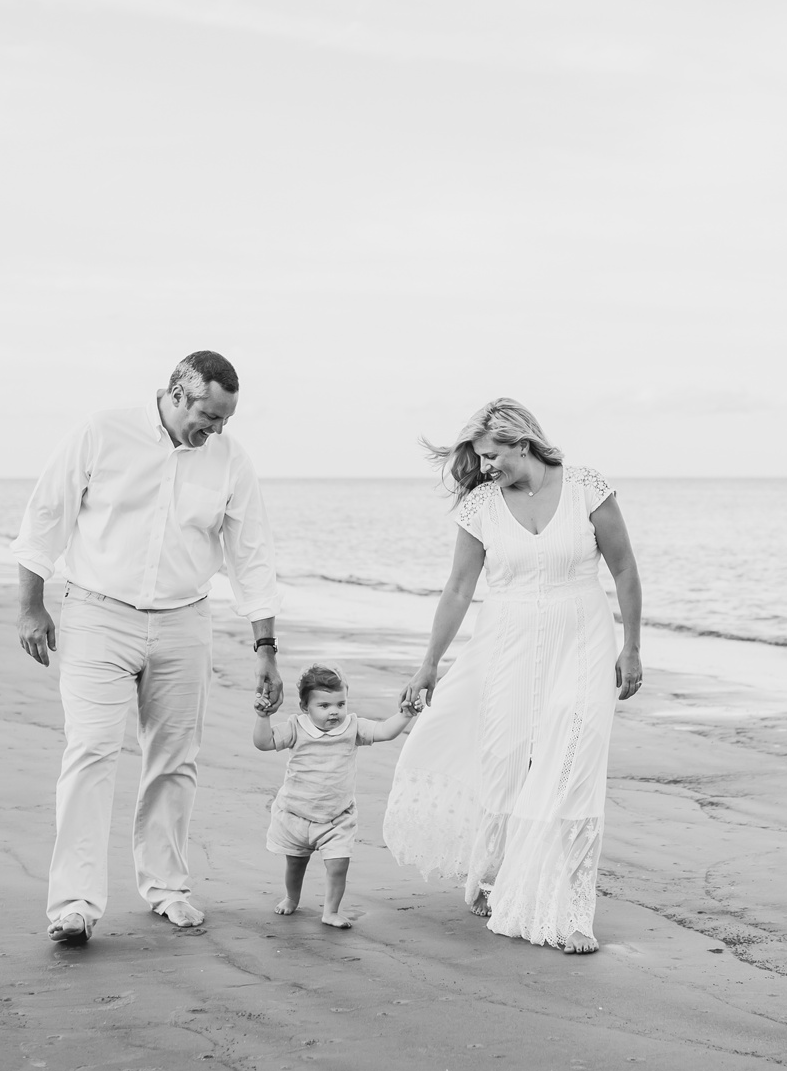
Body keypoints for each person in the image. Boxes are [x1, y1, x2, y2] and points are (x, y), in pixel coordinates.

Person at [11, 350, 284, 947]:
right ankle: (75, 905)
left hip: (186, 621)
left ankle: (167, 888)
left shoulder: (230, 460)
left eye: (225, 420)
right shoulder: (102, 432)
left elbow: (252, 554)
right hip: (96, 614)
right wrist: (31, 606)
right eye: (209, 416)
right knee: (91, 752)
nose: (215, 430)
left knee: (175, 760)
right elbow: (45, 516)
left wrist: (265, 645)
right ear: (177, 392)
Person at [381, 399, 643, 954]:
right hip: (505, 646)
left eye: (492, 455)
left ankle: (570, 913)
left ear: (521, 444)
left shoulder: (585, 488)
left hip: (584, 642)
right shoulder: (481, 506)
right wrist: (428, 663)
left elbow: (623, 568)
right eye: (479, 457)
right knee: (505, 760)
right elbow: (457, 589)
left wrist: (633, 648)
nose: (486, 466)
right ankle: (494, 869)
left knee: (573, 764)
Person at [252, 665, 416, 928]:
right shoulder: (296, 727)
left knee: (338, 865)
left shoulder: (352, 727)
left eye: (340, 703)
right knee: (295, 865)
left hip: (336, 818)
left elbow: (385, 731)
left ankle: (330, 911)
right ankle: (291, 898)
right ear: (305, 706)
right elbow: (264, 743)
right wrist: (262, 717)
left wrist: (404, 715)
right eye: (324, 705)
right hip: (296, 814)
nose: (334, 711)